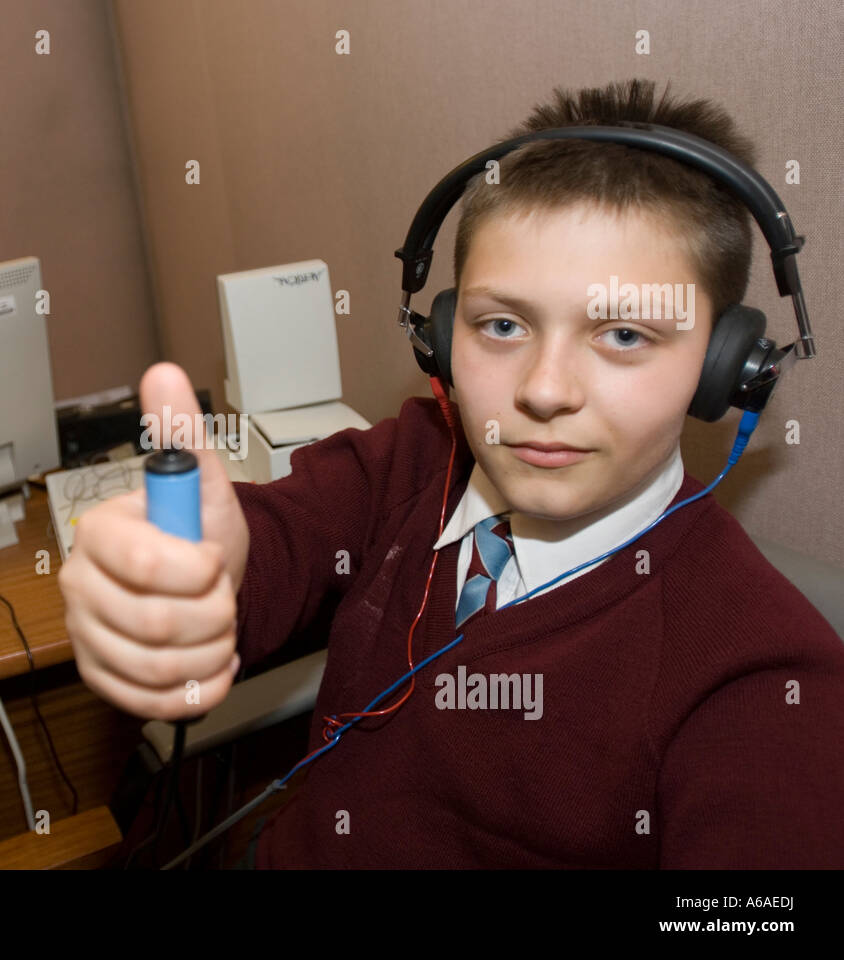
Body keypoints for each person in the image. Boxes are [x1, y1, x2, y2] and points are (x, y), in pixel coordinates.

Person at [58, 79, 844, 868]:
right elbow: (262, 546)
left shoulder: (763, 677)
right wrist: (176, 583)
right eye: (502, 325)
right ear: (439, 336)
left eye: (625, 335)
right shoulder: (411, 462)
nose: (543, 390)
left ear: (726, 369)